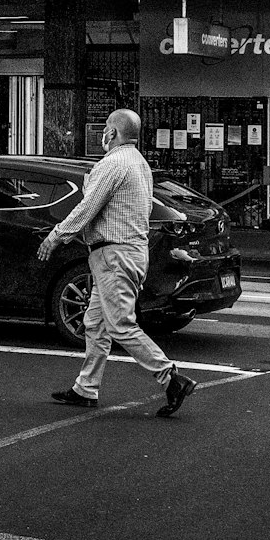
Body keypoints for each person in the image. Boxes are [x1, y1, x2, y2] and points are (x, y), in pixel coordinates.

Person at [37, 108, 198, 418]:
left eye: (106, 129)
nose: (103, 134)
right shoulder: (140, 163)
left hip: (114, 255)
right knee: (94, 322)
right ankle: (86, 388)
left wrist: (55, 237)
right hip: (129, 253)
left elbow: (87, 208)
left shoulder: (111, 164)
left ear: (111, 133)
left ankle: (170, 377)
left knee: (119, 324)